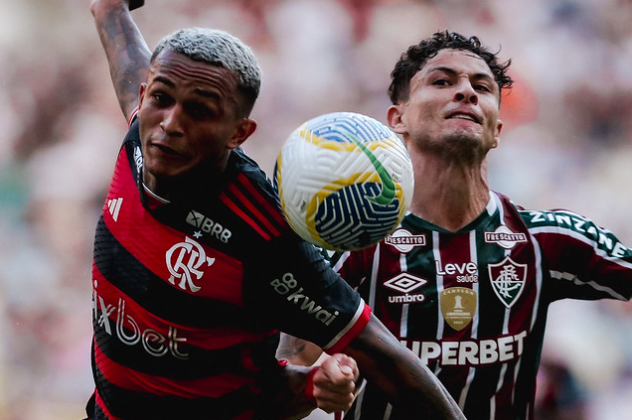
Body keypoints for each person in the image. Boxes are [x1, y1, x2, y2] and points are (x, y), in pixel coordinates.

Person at [86, 1, 467, 419]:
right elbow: (128, 63)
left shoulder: (261, 236)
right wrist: (111, 10)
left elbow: (384, 356)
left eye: (199, 110)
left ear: (239, 132)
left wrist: (312, 385)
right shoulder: (145, 136)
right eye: (160, 98)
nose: (171, 122)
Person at [277, 30, 632, 420]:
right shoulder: (352, 245)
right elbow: (283, 377)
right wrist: (318, 383)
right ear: (398, 118)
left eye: (481, 86)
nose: (466, 92)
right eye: (442, 81)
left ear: (497, 128)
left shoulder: (548, 239)